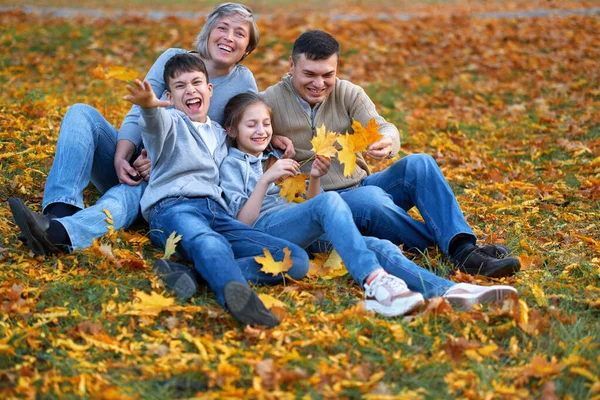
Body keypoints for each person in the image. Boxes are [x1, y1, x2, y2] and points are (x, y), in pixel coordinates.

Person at [8, 3, 292, 256]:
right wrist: (122, 156)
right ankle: (61, 211)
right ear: (207, 32)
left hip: (172, 179)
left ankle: (60, 233)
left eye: (240, 34)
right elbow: (138, 112)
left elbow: (242, 131)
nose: (229, 37)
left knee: (128, 195)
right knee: (80, 113)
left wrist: (272, 138)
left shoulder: (243, 81)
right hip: (133, 161)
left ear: (248, 48)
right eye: (222, 28)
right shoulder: (173, 59)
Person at [218, 93, 517, 314]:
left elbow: (316, 208)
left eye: (266, 124)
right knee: (335, 203)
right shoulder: (233, 164)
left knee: (381, 246)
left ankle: (450, 290)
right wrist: (264, 181)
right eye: (251, 125)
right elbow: (243, 224)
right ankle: (374, 282)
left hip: (300, 230)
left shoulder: (275, 156)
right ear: (232, 131)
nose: (261, 130)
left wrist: (316, 179)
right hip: (266, 231)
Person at [261, 30, 521, 278]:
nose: (319, 84)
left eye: (328, 75)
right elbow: (240, 127)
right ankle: (461, 251)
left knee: (420, 163)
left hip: (360, 183)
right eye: (309, 74)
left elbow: (383, 126)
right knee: (371, 198)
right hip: (318, 202)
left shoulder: (347, 93)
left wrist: (387, 141)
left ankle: (462, 247)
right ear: (291, 66)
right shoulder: (269, 100)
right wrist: (270, 137)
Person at [123, 53, 309, 327]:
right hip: (175, 208)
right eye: (180, 86)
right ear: (169, 96)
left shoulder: (222, 135)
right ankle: (241, 299)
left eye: (197, 82)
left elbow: (249, 138)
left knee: (295, 260)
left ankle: (194, 276)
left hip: (218, 213)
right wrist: (150, 108)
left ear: (210, 90)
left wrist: (274, 139)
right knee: (210, 242)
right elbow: (154, 125)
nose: (190, 90)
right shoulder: (170, 123)